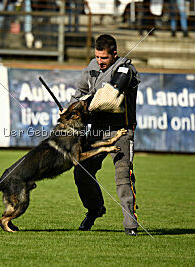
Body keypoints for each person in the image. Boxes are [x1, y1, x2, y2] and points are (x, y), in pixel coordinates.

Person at [63, 34, 140, 236]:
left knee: (123, 177)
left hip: (121, 130)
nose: (99, 61)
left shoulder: (126, 69)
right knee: (81, 172)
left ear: (114, 54)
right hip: (96, 131)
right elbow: (78, 93)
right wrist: (68, 109)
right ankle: (95, 210)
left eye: (104, 58)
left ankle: (130, 226)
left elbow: (108, 98)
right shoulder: (91, 67)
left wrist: (82, 106)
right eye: (97, 57)